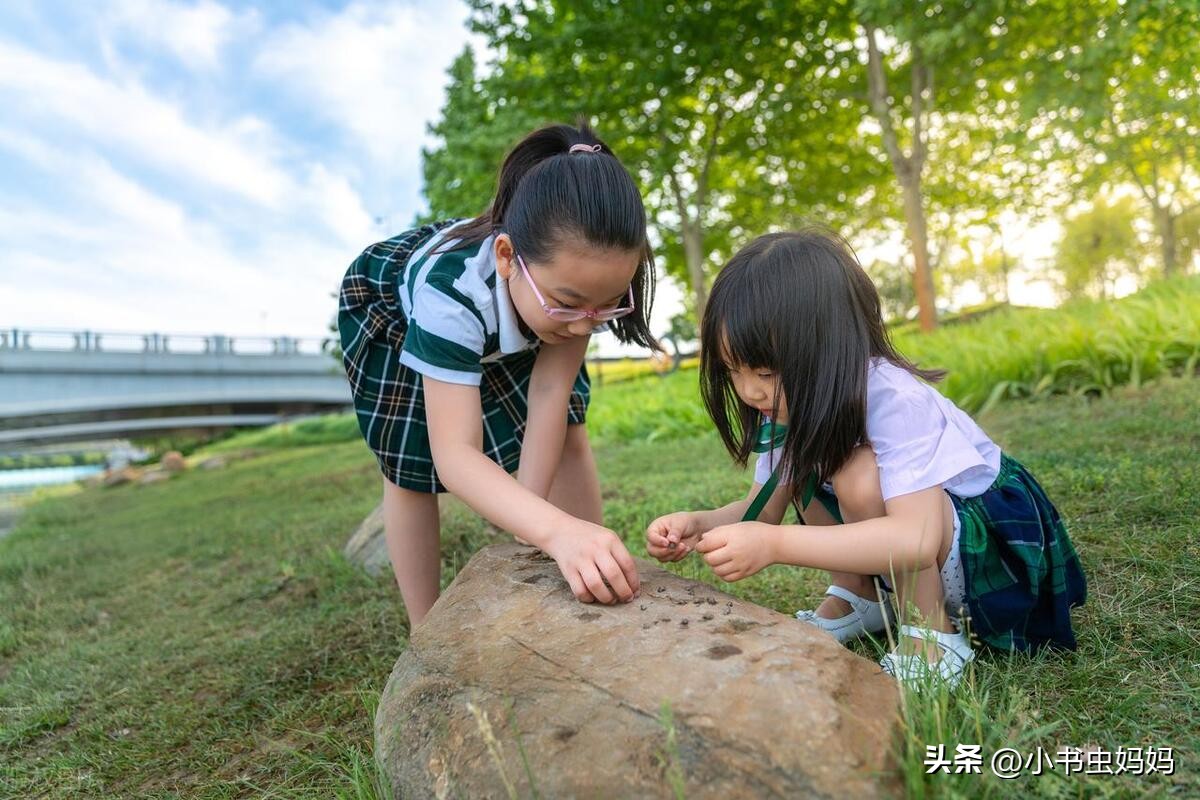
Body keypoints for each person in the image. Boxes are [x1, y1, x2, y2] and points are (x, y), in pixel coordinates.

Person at [645, 228, 1086, 688]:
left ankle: (933, 633)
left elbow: (915, 538)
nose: (749, 390)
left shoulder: (894, 397)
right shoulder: (784, 403)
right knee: (809, 465)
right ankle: (861, 597)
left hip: (987, 549)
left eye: (766, 371)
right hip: (915, 545)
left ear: (830, 348)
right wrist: (704, 523)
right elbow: (763, 510)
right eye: (733, 371)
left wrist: (772, 546)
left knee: (858, 473)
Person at [338, 122, 658, 626]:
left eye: (608, 305)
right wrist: (555, 530)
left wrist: (537, 526)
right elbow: (455, 455)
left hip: (514, 306)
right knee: (408, 469)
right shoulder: (451, 297)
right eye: (570, 304)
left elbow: (551, 392)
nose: (585, 324)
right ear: (508, 258)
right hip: (394, 312)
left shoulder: (581, 291)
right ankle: (426, 631)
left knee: (571, 423)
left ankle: (595, 571)